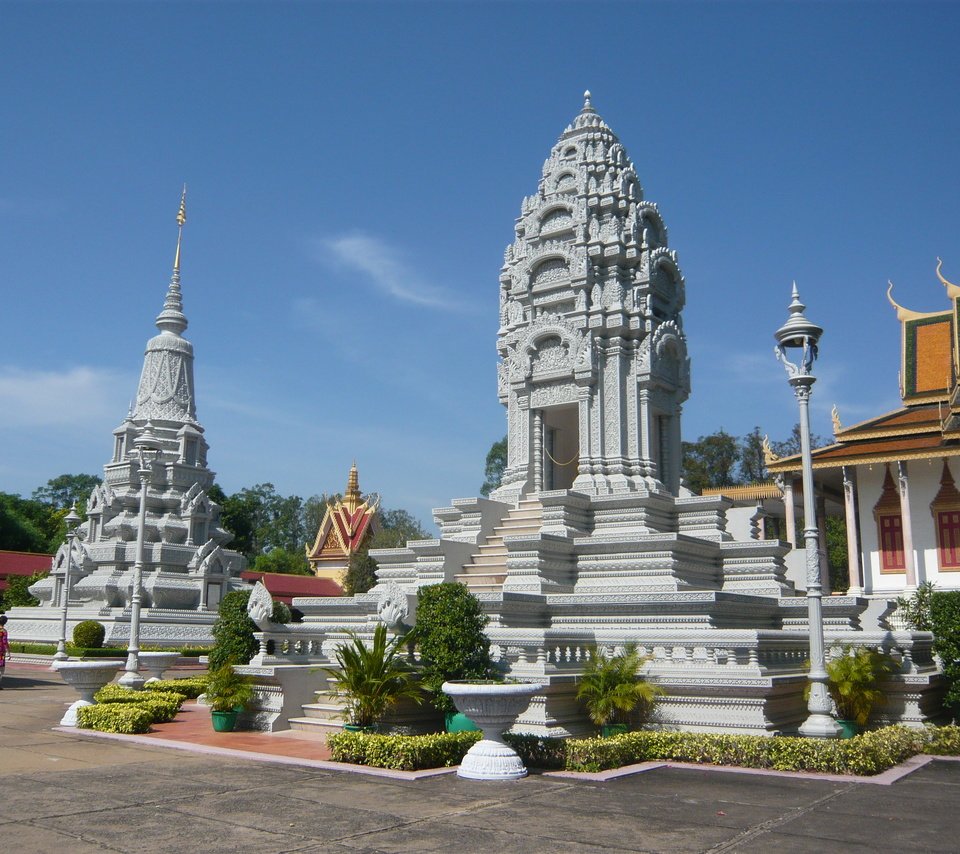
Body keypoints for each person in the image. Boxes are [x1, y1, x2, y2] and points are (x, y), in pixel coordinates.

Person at [0, 614, 8, 688]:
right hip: (1, 651)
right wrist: (8, 652)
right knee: (1, 668)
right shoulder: (4, 631)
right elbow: (5, 642)